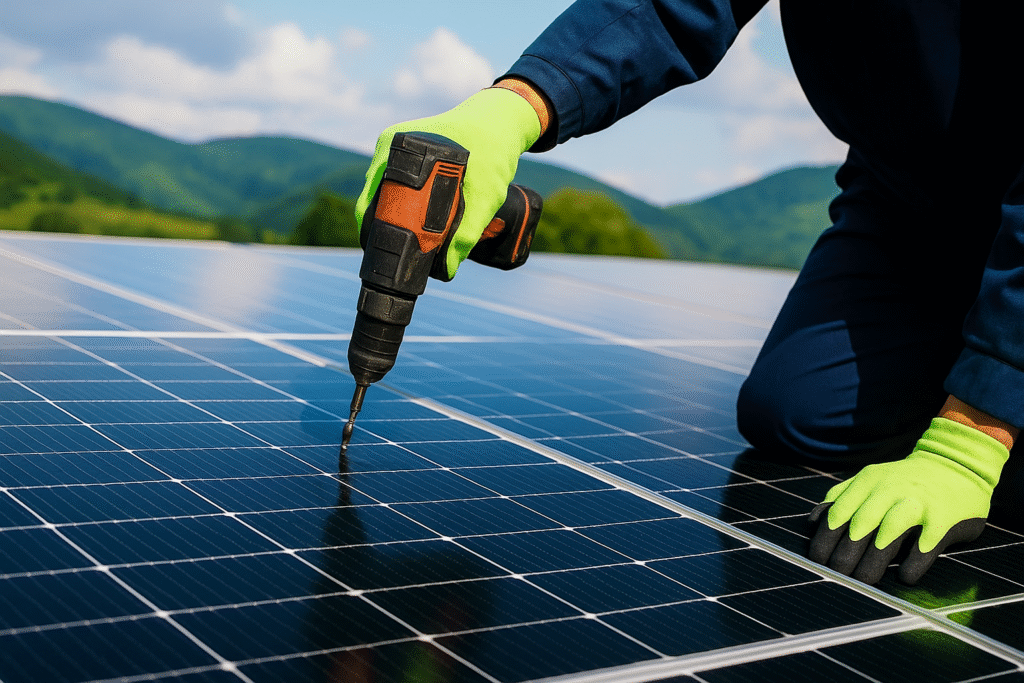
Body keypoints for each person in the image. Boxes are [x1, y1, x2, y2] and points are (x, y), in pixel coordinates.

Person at [355, 0, 1024, 585]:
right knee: (795, 410)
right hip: (912, 196)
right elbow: (669, 5)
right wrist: (514, 104)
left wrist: (970, 440)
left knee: (990, 452)